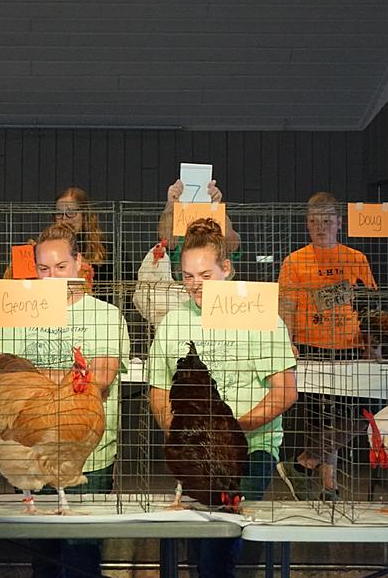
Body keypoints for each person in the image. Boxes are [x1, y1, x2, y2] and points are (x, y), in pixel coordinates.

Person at [148, 219, 298, 578]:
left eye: (205, 274)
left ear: (226, 269)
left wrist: (227, 429)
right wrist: (183, 432)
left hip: (252, 445)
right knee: (199, 540)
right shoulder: (173, 323)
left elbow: (285, 392)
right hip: (195, 449)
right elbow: (157, 390)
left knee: (218, 543)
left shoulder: (263, 318)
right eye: (187, 276)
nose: (195, 284)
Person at [0, 222, 129, 578]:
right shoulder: (17, 311)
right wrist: (69, 376)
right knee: (43, 558)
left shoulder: (105, 314)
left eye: (61, 267)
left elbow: (100, 377)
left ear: (79, 262)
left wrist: (33, 376)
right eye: (44, 269)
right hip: (29, 451)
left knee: (81, 556)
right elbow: (0, 376)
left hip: (86, 455)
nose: (52, 277)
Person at [276, 191, 377, 500]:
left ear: (339, 223)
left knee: (364, 414)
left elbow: (369, 307)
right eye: (314, 221)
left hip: (350, 347)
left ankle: (305, 463)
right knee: (320, 420)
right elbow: (286, 306)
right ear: (307, 224)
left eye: (327, 220)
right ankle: (329, 487)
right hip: (311, 346)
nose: (321, 227)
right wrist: (288, 342)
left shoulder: (355, 258)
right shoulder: (295, 261)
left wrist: (372, 345)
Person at [5, 187, 111, 294]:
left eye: (71, 212)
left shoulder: (105, 247)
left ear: (85, 215)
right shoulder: (44, 246)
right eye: (59, 213)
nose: (64, 218)